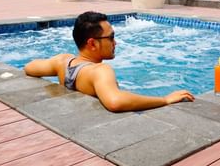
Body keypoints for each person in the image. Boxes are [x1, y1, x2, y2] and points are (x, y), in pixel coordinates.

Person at [24, 11, 194, 112]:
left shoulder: (63, 61)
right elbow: (115, 101)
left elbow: (29, 67)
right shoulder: (99, 71)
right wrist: (164, 100)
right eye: (111, 37)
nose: (115, 42)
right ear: (92, 43)